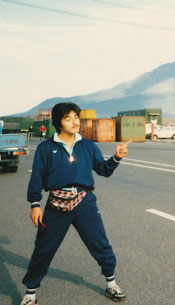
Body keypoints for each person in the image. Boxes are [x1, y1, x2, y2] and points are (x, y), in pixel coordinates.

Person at [21, 103, 130, 305]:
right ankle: (30, 293)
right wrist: (35, 204)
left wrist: (116, 157)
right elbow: (37, 177)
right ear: (58, 123)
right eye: (68, 118)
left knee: (100, 243)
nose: (75, 122)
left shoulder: (87, 145)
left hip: (84, 201)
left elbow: (103, 170)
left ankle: (111, 283)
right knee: (43, 249)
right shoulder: (46, 148)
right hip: (56, 204)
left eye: (76, 117)